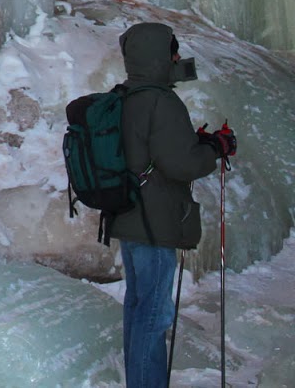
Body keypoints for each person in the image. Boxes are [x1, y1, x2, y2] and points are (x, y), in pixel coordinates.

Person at [108, 21, 236, 388]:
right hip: (154, 222)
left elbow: (152, 148)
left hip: (128, 218)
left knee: (138, 308)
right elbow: (181, 164)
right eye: (172, 51)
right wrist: (214, 149)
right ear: (160, 56)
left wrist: (199, 143)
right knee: (153, 314)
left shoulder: (126, 95)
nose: (178, 58)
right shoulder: (160, 101)